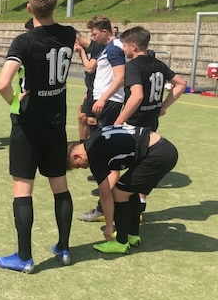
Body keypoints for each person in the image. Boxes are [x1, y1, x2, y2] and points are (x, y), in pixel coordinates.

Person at [0, 0, 76, 273]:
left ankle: (24, 257)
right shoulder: (69, 34)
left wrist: (15, 101)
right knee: (60, 186)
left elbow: (2, 84)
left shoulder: (24, 42)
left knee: (22, 188)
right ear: (55, 5)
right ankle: (64, 248)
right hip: (56, 122)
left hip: (28, 124)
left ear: (29, 8)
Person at [67, 125, 178, 253]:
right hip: (163, 149)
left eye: (78, 166)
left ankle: (121, 243)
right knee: (129, 190)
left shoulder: (94, 155)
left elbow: (106, 196)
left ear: (76, 156)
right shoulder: (95, 137)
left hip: (157, 155)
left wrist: (109, 226)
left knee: (118, 194)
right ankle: (132, 235)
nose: (84, 168)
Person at [113, 26, 187, 217]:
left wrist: (120, 120)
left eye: (125, 45)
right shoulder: (158, 64)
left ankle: (110, 207)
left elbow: (137, 96)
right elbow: (181, 84)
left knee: (119, 164)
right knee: (141, 166)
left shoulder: (133, 66)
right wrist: (163, 106)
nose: (123, 49)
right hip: (152, 123)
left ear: (134, 46)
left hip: (134, 124)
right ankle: (140, 204)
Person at [78, 15, 126, 222]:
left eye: (95, 33)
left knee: (105, 154)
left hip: (108, 104)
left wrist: (104, 98)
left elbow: (120, 76)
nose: (93, 37)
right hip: (104, 102)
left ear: (104, 31)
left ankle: (104, 207)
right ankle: (110, 202)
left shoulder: (114, 49)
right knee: (103, 151)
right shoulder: (109, 48)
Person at [73, 31, 104, 141]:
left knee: (91, 120)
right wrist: (87, 90)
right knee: (82, 117)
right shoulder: (84, 50)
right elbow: (88, 74)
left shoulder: (97, 47)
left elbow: (90, 68)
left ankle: (95, 144)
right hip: (91, 90)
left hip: (100, 90)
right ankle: (82, 143)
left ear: (76, 39)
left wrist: (81, 52)